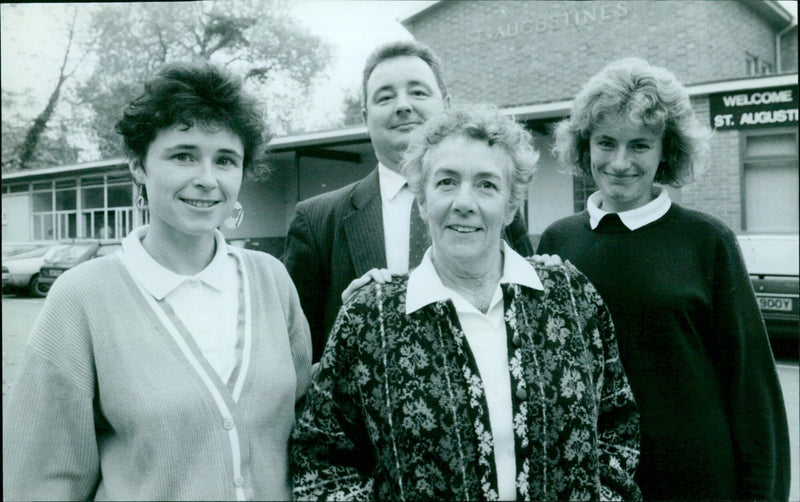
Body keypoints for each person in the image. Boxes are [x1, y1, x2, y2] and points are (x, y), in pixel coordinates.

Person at [290, 104, 641, 501]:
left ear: (511, 207)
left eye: (487, 185)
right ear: (422, 201)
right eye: (446, 182)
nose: (464, 202)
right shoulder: (370, 318)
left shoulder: (571, 299)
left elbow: (617, 428)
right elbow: (321, 462)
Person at [2, 62, 312, 501]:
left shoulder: (272, 280)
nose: (206, 179)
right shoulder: (81, 298)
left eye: (225, 160)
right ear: (138, 166)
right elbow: (43, 479)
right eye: (183, 155)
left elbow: (309, 426)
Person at [536, 57, 790, 500]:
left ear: (666, 151)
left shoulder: (707, 241)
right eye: (606, 142)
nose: (619, 162)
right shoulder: (559, 242)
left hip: (697, 483)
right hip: (591, 484)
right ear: (585, 146)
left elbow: (753, 391)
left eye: (639, 145)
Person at [283, 40, 532, 362]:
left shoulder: (493, 207)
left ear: (447, 104)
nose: (403, 106)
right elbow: (298, 357)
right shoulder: (316, 221)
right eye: (385, 97)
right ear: (365, 116)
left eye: (418, 92)